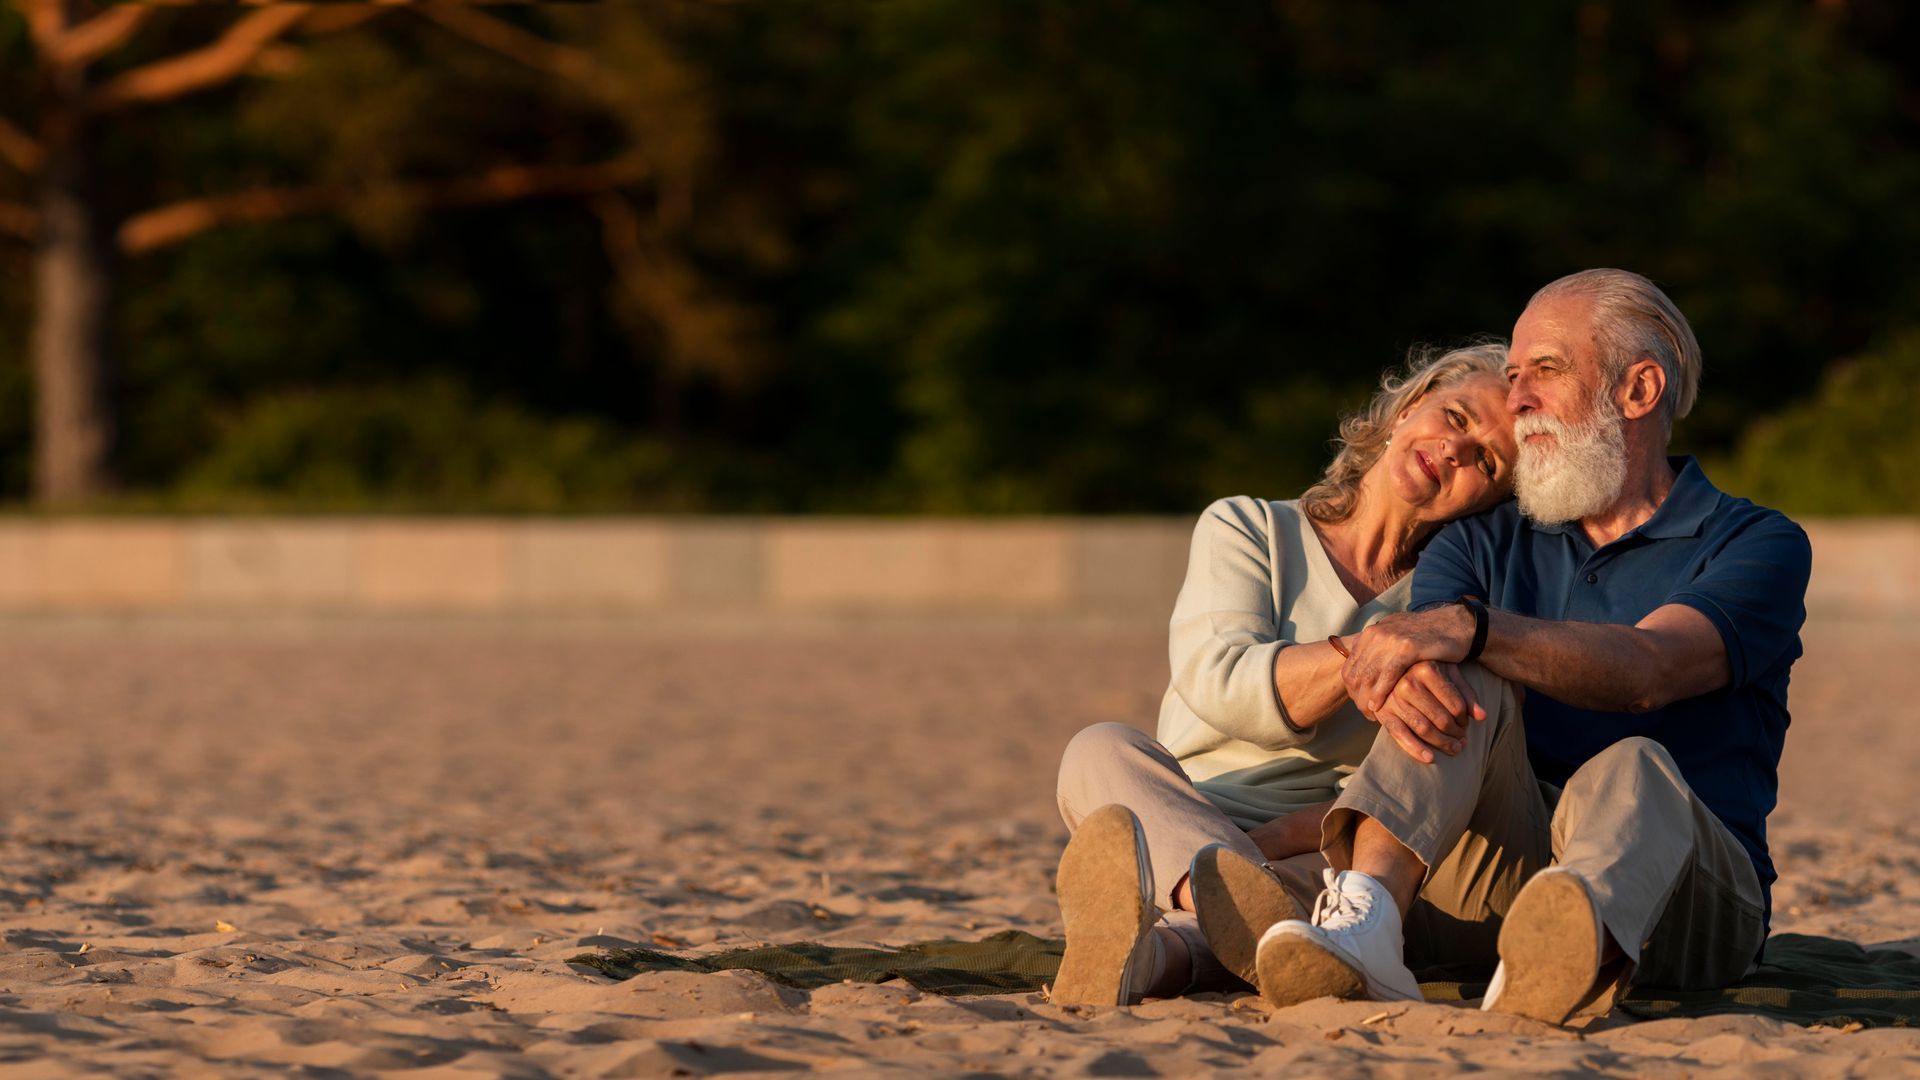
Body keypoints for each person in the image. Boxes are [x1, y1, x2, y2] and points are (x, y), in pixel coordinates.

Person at [1250, 268, 1812, 1024]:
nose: (1515, 401)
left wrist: (1480, 628)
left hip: (1693, 891)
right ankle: (1366, 923)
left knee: (1633, 764)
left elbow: (1652, 671)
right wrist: (1446, 646)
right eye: (1512, 376)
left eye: (1544, 371)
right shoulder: (1480, 542)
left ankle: (1570, 947)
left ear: (1638, 391)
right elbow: (1426, 679)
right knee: (1460, 681)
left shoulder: (1756, 543)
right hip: (1506, 866)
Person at [1050, 341, 1518, 1005]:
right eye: (1459, 418)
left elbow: (1426, 778)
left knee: (1335, 897)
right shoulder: (1249, 526)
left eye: (1487, 462)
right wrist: (1375, 649)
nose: (1455, 451)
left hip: (1326, 836)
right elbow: (1222, 683)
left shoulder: (1456, 607)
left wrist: (1295, 833)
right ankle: (1227, 899)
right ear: (1411, 407)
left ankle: (1152, 957)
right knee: (1097, 749)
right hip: (1189, 804)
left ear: (1493, 500)